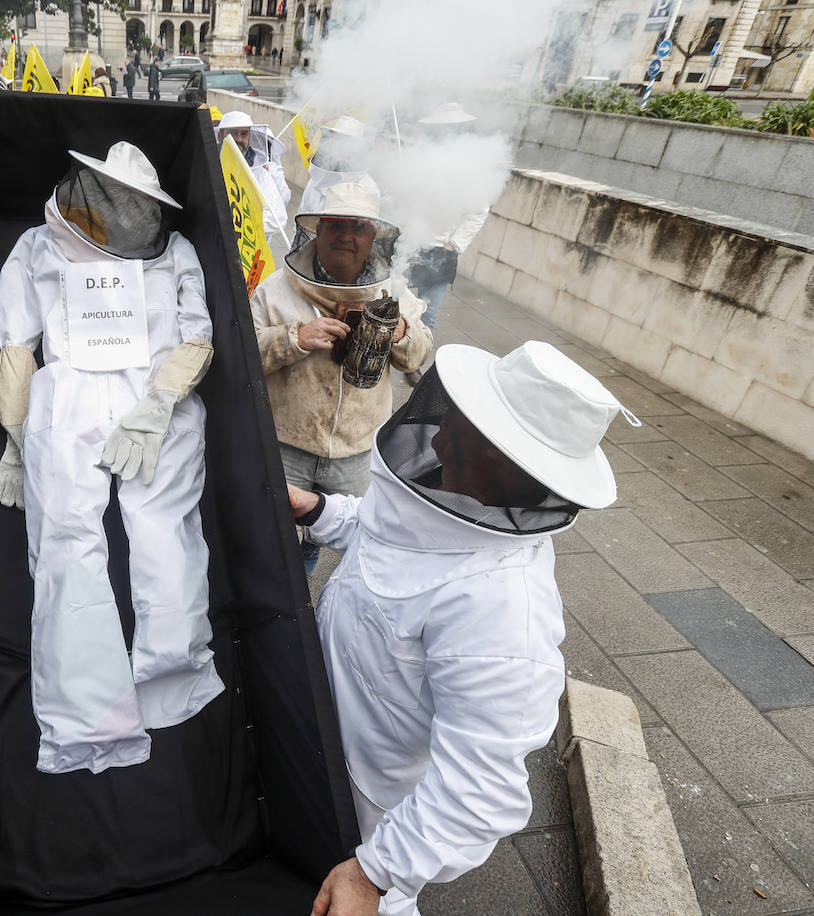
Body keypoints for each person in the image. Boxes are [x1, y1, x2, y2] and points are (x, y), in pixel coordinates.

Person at [296, 341, 638, 916]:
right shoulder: (448, 493)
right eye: (452, 417)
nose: (437, 438)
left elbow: (481, 790)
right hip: (313, 741)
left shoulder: (505, 617)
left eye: (466, 435)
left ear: (512, 472)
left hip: (363, 814)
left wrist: (376, 873)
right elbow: (388, 537)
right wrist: (318, 510)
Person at [0, 141, 223, 775]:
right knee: (69, 548)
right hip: (69, 400)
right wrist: (15, 442)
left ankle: (170, 688)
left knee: (162, 538)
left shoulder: (174, 251)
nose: (120, 216)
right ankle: (86, 720)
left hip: (155, 403)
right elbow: (17, 345)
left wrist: (157, 405)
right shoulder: (38, 245)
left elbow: (198, 339)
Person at [249, 183, 432, 573]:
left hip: (358, 447)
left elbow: (420, 353)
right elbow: (241, 354)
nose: (346, 236)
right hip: (286, 441)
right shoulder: (275, 289)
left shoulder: (393, 290)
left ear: (373, 238)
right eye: (336, 225)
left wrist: (400, 331)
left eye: (359, 227)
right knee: (269, 529)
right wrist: (293, 337)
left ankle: (309, 565)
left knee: (353, 532)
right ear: (319, 230)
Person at [404, 103, 489, 386]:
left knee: (429, 313)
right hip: (411, 244)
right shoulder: (419, 158)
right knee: (391, 304)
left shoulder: (471, 170)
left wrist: (456, 242)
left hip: (443, 251)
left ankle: (414, 363)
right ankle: (379, 353)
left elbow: (478, 210)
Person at [217, 110, 290, 255]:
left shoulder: (260, 171)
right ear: (220, 136)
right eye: (232, 133)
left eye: (244, 134)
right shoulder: (208, 164)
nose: (239, 139)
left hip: (251, 254)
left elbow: (278, 218)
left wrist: (234, 224)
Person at [297, 115, 380, 216]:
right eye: (336, 139)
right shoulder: (316, 181)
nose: (337, 149)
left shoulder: (368, 187)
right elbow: (302, 215)